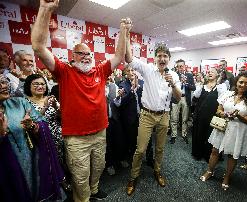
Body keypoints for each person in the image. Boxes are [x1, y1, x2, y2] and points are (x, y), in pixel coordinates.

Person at [31, 0, 131, 201]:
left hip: (101, 132)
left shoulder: (100, 70)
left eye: (88, 54)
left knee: (99, 166)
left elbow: (120, 56)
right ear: (73, 56)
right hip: (76, 138)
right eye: (81, 54)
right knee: (80, 174)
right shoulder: (64, 72)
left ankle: (94, 190)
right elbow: (39, 46)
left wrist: (124, 30)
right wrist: (45, 9)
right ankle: (83, 198)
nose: (86, 57)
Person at [125, 39, 182, 194]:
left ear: (169, 59)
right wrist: (126, 34)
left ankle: (157, 170)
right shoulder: (148, 69)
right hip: (147, 115)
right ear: (155, 58)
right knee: (141, 149)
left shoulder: (174, 75)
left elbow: (178, 97)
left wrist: (173, 84)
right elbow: (129, 59)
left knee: (160, 148)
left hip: (164, 115)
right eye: (159, 56)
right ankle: (133, 176)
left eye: (165, 56)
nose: (162, 59)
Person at [0, 75, 65, 202]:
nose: (3, 86)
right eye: (0, 83)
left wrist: (32, 126)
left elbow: (42, 123)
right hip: (6, 167)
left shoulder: (19, 103)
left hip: (30, 159)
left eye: (4, 82)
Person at [200, 72, 247, 190]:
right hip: (223, 127)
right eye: (241, 82)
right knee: (215, 151)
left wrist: (239, 116)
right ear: (236, 82)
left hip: (239, 130)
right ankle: (210, 171)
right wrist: (223, 113)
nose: (243, 85)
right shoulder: (228, 94)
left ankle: (227, 177)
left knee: (232, 156)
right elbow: (218, 110)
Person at [191, 67, 227, 161]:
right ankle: (198, 153)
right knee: (199, 133)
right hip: (200, 114)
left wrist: (217, 84)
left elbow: (223, 100)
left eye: (212, 72)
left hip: (213, 115)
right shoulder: (203, 85)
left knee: (210, 135)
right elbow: (196, 95)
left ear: (217, 75)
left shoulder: (221, 86)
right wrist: (202, 84)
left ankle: (209, 156)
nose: (210, 73)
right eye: (208, 72)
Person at [170, 59, 195, 144]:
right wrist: (178, 83)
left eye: (181, 66)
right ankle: (173, 135)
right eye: (178, 66)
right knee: (174, 117)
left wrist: (186, 83)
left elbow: (193, 88)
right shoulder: (174, 75)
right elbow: (169, 86)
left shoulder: (189, 75)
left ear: (184, 66)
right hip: (176, 97)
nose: (179, 68)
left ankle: (184, 134)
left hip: (185, 98)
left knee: (184, 118)